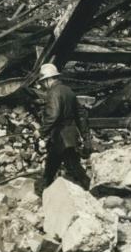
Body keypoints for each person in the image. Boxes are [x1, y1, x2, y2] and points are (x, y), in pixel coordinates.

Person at [36, 63, 90, 191]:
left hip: (61, 137)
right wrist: (84, 135)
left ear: (48, 79)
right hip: (70, 136)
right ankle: (43, 192)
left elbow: (53, 115)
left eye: (43, 83)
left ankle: (89, 189)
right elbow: (80, 115)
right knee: (52, 165)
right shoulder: (68, 91)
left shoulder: (53, 93)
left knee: (73, 167)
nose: (43, 86)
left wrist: (41, 132)